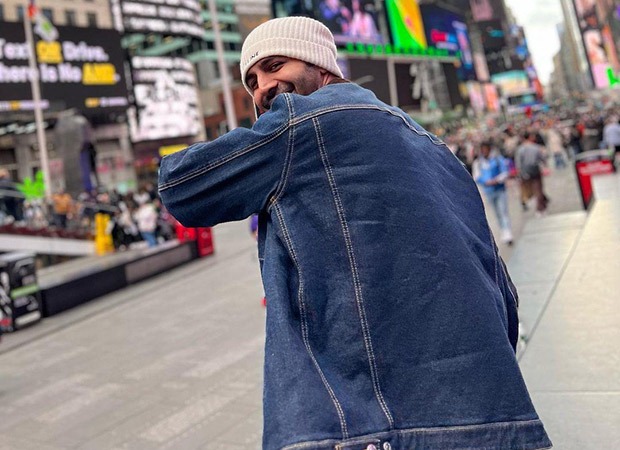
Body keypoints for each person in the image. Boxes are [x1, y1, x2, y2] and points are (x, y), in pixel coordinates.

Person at [159, 17, 551, 450]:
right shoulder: (434, 145)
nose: (262, 88)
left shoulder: (301, 124)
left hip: (365, 425)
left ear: (321, 66)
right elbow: (502, 290)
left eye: (274, 66)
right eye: (251, 80)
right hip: (492, 418)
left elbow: (180, 185)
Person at [472, 141, 514, 245]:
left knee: (503, 211)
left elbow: (505, 172)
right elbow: (476, 177)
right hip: (489, 192)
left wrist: (497, 180)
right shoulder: (478, 163)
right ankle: (503, 230)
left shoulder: (497, 159)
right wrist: (485, 182)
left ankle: (507, 231)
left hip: (500, 189)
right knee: (497, 213)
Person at [517, 131, 549, 216]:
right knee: (538, 189)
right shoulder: (536, 147)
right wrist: (545, 166)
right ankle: (541, 208)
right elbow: (542, 158)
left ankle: (540, 206)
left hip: (526, 172)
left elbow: (519, 163)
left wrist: (520, 173)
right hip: (535, 170)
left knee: (531, 191)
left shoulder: (520, 149)